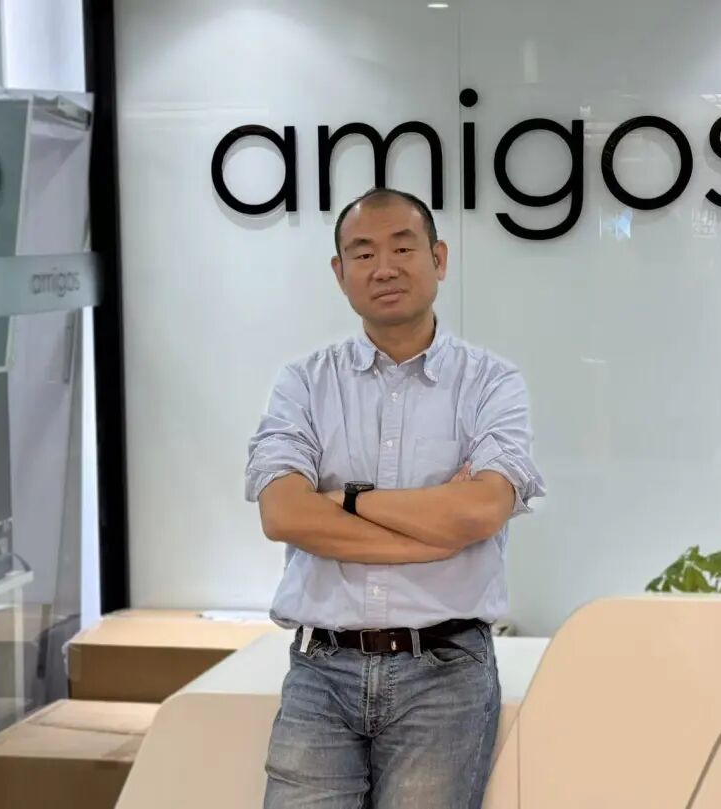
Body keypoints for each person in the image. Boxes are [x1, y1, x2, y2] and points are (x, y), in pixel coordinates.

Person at [245, 187, 545, 809]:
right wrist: (431, 536)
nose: (384, 267)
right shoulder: (304, 383)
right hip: (321, 671)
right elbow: (283, 513)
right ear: (340, 273)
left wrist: (345, 499)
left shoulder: (491, 382)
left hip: (444, 675)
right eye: (363, 253)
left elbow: (481, 510)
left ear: (439, 258)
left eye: (403, 248)